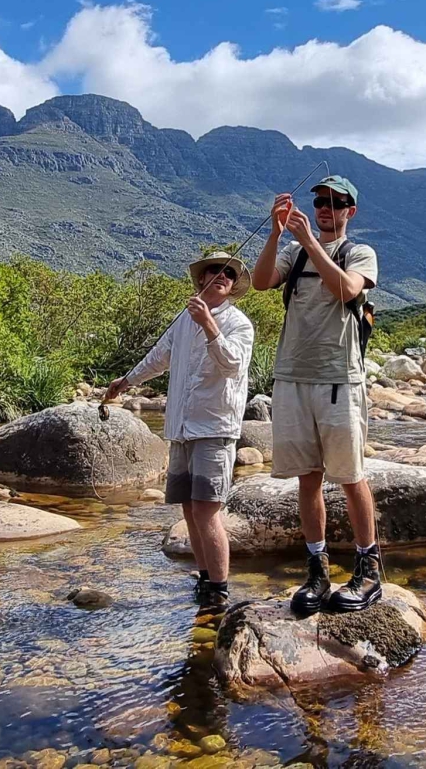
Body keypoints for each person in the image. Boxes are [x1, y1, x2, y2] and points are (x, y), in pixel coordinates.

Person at [251, 174, 381, 615]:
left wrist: (310, 241)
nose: (326, 208)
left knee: (349, 475)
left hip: (339, 379)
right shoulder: (292, 251)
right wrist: (275, 232)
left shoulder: (358, 253)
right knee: (307, 478)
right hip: (291, 377)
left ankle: (369, 569)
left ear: (350, 211)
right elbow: (261, 281)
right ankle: (317, 569)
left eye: (336, 202)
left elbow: (347, 289)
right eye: (320, 201)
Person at [107, 251, 255, 607]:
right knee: (188, 509)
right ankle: (205, 579)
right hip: (182, 428)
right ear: (201, 280)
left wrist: (209, 324)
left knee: (206, 510)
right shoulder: (181, 321)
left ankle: (219, 590)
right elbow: (159, 357)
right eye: (215, 271)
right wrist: (126, 381)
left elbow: (232, 365)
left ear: (233, 286)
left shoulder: (239, 324)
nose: (222, 276)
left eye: (229, 274)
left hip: (215, 428)